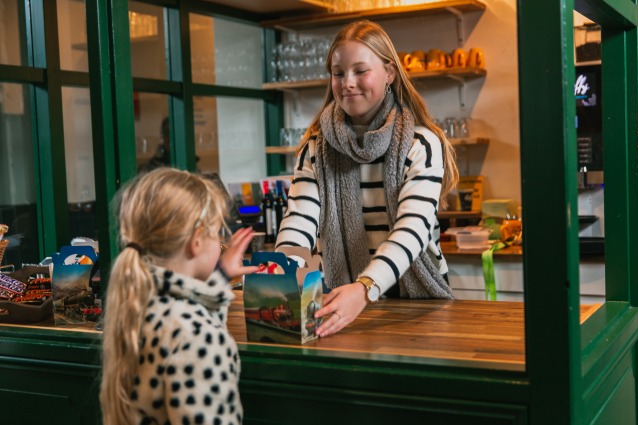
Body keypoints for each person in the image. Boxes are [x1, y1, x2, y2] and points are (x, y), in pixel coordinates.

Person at [275, 20, 459, 338]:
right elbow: (298, 223)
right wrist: (283, 273)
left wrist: (364, 288)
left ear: (389, 73)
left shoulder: (420, 144)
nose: (348, 83)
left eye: (360, 71)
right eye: (338, 73)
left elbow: (412, 230)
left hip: (416, 301)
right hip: (340, 300)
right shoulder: (315, 148)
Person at [100, 168, 258, 425]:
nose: (221, 241)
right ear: (196, 242)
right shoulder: (197, 336)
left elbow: (186, 307)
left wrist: (220, 275)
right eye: (217, 232)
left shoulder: (135, 302)